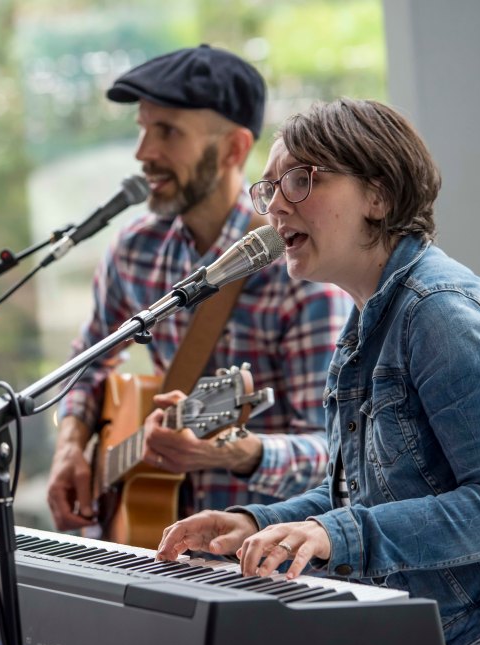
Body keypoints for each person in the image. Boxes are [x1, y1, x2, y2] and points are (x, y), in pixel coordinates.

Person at [157, 98, 480, 645]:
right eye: (270, 188)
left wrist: (335, 533)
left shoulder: (441, 314)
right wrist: (258, 522)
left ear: (377, 196)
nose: (275, 205)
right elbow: (365, 496)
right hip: (427, 633)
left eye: (301, 180)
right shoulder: (368, 320)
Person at [46, 45, 352, 535]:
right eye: (143, 129)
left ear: (233, 149)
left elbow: (337, 456)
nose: (143, 153)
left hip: (260, 554)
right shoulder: (133, 250)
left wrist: (237, 453)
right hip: (154, 543)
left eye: (167, 132)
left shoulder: (300, 271)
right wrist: (71, 448)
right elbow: (86, 363)